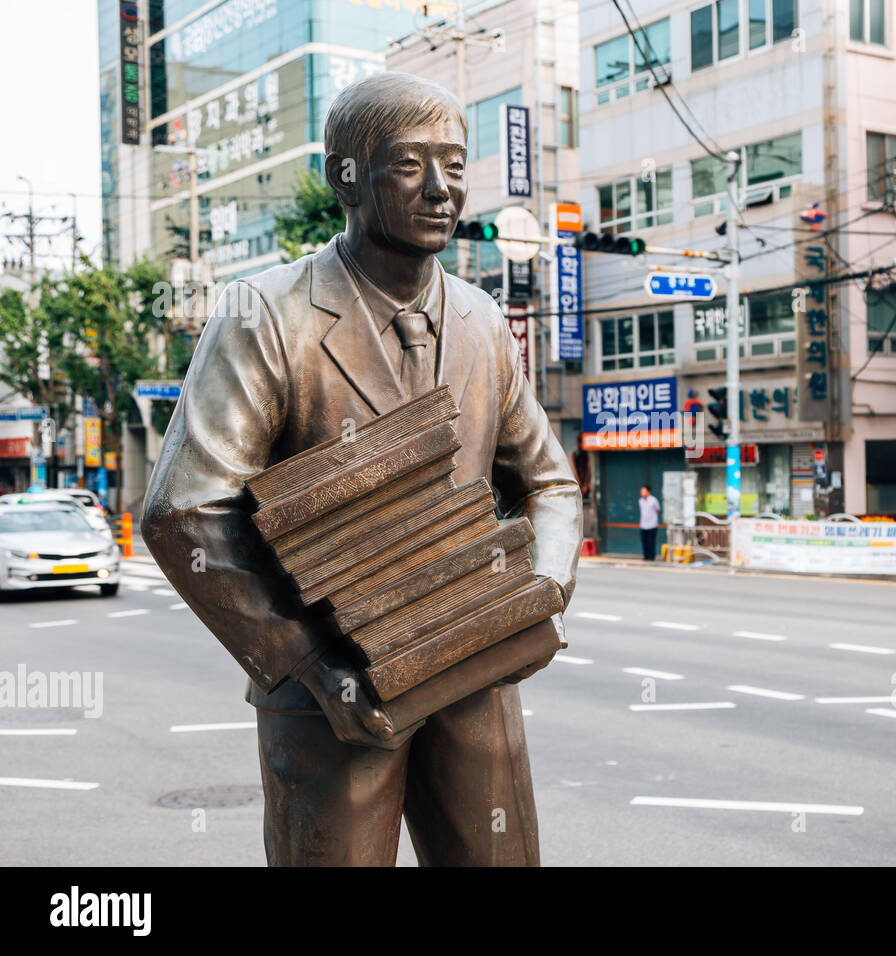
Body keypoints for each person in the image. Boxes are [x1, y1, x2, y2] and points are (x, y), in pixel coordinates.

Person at [142, 73, 582, 867]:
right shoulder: (268, 314)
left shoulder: (483, 322)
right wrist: (309, 662)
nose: (443, 188)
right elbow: (185, 509)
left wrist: (545, 589)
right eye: (412, 164)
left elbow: (549, 483)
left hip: (476, 673)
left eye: (455, 162)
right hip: (332, 694)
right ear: (346, 176)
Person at [638, 484, 661, 561]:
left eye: (644, 491)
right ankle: (646, 556)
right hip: (643, 524)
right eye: (641, 491)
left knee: (651, 541)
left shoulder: (653, 500)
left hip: (652, 524)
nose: (642, 493)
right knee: (644, 541)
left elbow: (658, 510)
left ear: (648, 492)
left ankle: (652, 556)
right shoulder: (640, 501)